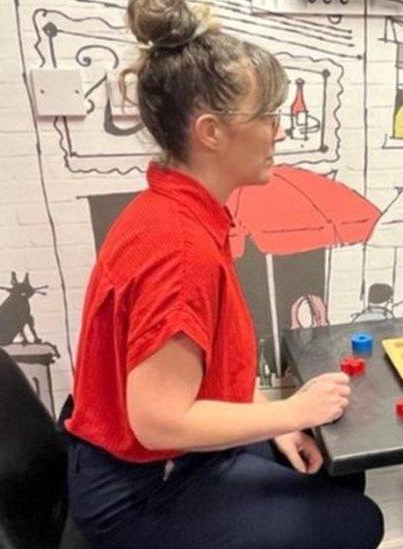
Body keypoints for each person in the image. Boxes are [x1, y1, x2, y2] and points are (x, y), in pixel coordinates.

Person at [63, 1, 383, 547]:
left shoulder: (178, 213)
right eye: (266, 116)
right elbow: (159, 422)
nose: (278, 131)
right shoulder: (179, 247)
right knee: (357, 520)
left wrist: (281, 421)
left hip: (154, 463)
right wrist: (289, 408)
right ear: (211, 132)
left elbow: (203, 380)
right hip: (140, 491)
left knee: (338, 464)